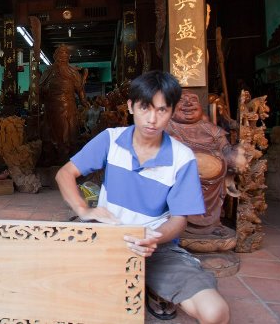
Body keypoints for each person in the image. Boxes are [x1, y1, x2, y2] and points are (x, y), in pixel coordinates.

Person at [55, 71, 230, 324]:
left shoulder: (182, 158)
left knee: (215, 312)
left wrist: (154, 237)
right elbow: (65, 174)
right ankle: (145, 286)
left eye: (162, 110)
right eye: (145, 108)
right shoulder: (111, 140)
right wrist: (84, 210)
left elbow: (179, 220)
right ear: (130, 107)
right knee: (55, 279)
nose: (152, 119)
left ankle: (150, 285)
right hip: (106, 239)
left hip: (157, 247)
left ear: (171, 112)